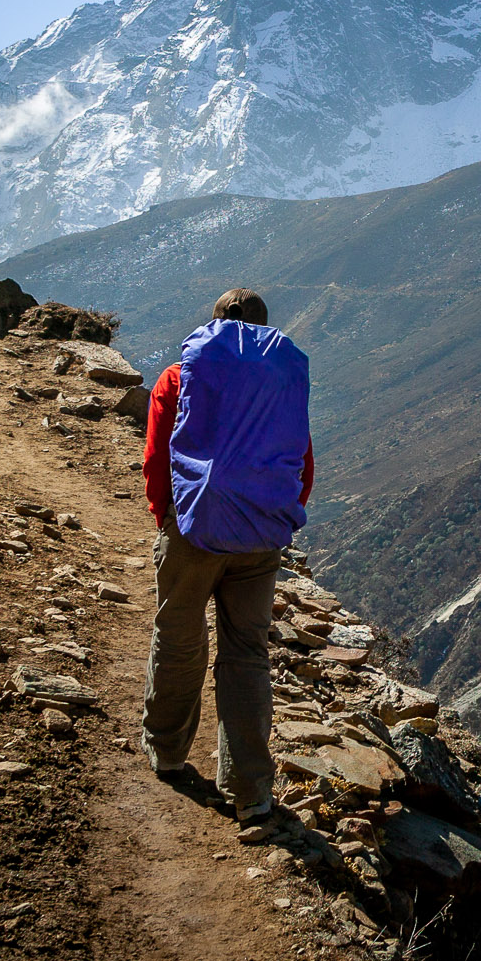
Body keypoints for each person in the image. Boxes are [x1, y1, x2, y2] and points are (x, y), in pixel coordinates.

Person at [139, 287, 314, 824]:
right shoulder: (283, 379)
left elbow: (156, 456)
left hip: (194, 529)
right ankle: (250, 790)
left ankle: (168, 753)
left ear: (213, 326)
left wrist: (169, 516)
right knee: (247, 654)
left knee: (180, 634)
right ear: (266, 330)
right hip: (261, 536)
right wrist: (279, 516)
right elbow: (301, 460)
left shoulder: (179, 376)